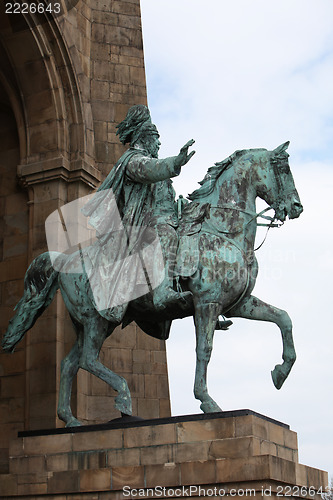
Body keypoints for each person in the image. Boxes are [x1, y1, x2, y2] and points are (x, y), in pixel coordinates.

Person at [82, 104, 195, 319]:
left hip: (165, 218)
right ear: (145, 139)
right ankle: (162, 293)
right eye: (156, 138)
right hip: (141, 224)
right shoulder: (133, 161)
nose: (160, 142)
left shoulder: (151, 165)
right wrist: (176, 162)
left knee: (192, 236)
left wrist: (180, 206)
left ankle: (200, 296)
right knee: (166, 234)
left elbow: (162, 198)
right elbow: (151, 170)